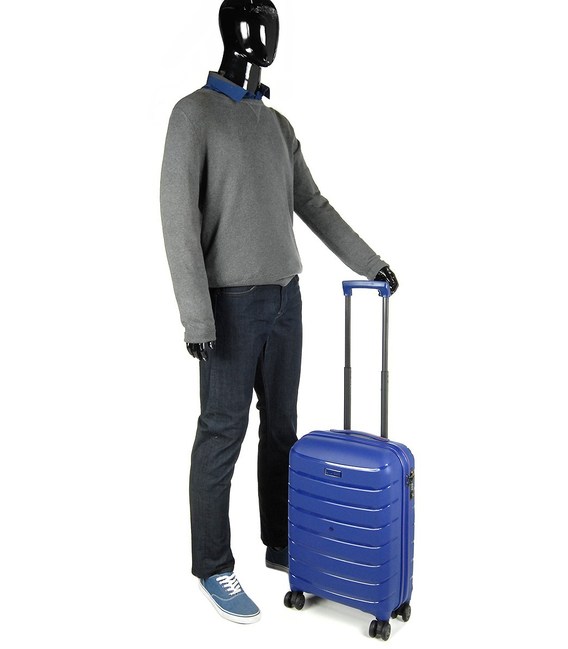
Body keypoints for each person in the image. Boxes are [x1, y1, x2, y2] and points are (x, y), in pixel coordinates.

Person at [159, 0, 399, 625]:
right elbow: (178, 222)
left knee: (283, 430)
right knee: (221, 433)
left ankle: (281, 542)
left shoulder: (277, 124)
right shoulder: (193, 115)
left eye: (270, 22)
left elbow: (312, 203)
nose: (262, 36)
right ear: (226, 30)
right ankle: (213, 565)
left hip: (287, 300)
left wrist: (371, 263)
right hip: (228, 307)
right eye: (249, 22)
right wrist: (196, 317)